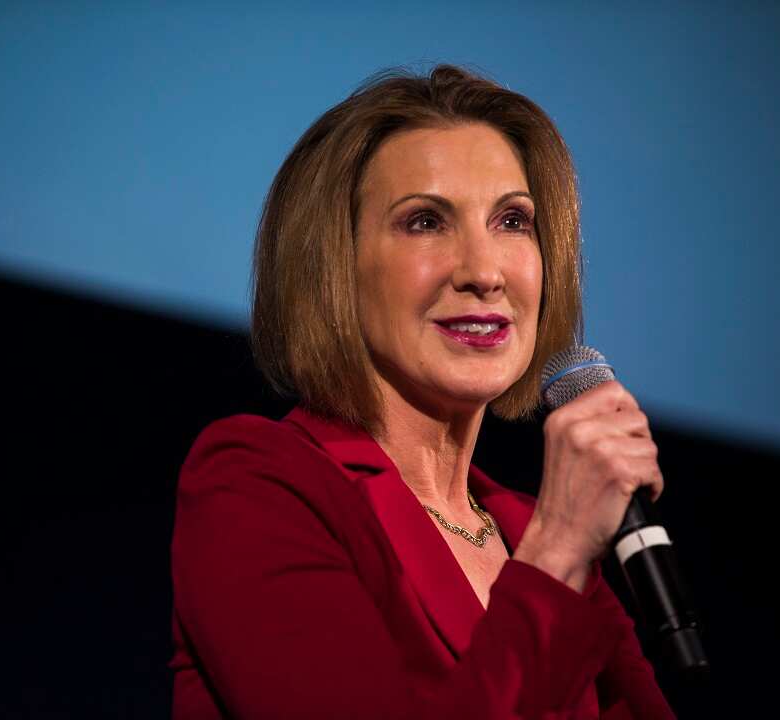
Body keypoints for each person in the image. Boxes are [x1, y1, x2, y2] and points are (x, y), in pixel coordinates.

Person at [170, 65, 675, 719]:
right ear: (335, 268)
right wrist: (558, 553)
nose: (484, 272)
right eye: (425, 222)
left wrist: (554, 545)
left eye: (513, 221)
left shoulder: (529, 527)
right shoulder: (256, 482)